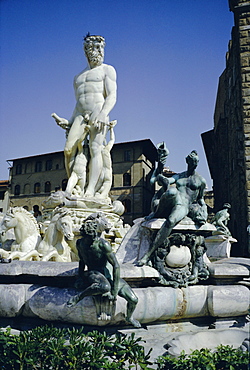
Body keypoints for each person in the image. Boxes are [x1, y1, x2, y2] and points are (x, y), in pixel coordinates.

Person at [52, 34, 117, 198]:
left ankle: (90, 189)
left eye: (100, 48)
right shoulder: (78, 77)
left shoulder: (107, 70)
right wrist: (70, 121)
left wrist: (103, 114)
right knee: (68, 150)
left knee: (96, 149)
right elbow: (79, 102)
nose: (98, 51)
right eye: (94, 48)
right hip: (80, 114)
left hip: (98, 111)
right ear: (86, 50)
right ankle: (77, 186)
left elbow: (112, 95)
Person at [67, 213, 141, 328]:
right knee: (104, 287)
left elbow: (116, 266)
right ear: (83, 235)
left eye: (94, 236)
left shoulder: (103, 244)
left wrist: (115, 291)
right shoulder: (80, 243)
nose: (92, 239)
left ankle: (129, 317)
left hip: (108, 275)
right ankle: (77, 298)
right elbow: (82, 261)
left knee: (133, 299)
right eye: (89, 237)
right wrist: (81, 277)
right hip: (93, 273)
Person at [139, 150, 207, 266]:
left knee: (170, 221)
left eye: (195, 162)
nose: (193, 164)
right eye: (191, 161)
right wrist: (160, 164)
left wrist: (204, 210)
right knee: (171, 191)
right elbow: (163, 182)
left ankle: (148, 254)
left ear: (197, 163)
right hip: (175, 199)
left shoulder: (201, 181)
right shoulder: (179, 176)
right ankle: (155, 214)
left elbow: (200, 199)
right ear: (187, 161)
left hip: (184, 205)